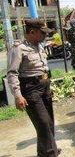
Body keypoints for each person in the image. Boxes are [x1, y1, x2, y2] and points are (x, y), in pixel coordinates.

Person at [7, 19, 60, 157]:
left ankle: (47, 149)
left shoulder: (39, 45)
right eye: (42, 33)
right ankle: (50, 153)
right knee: (43, 122)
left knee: (49, 121)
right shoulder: (18, 49)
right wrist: (18, 95)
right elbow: (12, 73)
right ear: (32, 32)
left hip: (44, 87)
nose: (45, 36)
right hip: (31, 89)